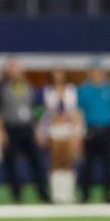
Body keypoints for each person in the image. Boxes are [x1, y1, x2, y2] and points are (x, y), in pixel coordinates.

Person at [0, 57, 50, 203]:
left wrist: (38, 129)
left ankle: (42, 192)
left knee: (36, 161)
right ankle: (16, 195)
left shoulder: (29, 86)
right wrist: (1, 132)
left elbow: (37, 108)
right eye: (12, 68)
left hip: (27, 128)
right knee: (11, 163)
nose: (15, 71)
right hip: (11, 127)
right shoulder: (1, 88)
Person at [77, 58, 110, 203]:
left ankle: (108, 195)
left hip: (107, 129)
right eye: (94, 71)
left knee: (108, 164)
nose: (97, 74)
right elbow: (78, 113)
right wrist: (77, 134)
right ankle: (85, 195)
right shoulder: (83, 90)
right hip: (90, 130)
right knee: (87, 165)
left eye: (99, 71)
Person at [37, 68, 82, 204]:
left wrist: (76, 132)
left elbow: (75, 112)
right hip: (54, 130)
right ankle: (57, 194)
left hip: (68, 129)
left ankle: (68, 194)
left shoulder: (71, 90)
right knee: (55, 163)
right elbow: (45, 113)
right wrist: (41, 131)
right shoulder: (47, 91)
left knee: (68, 163)